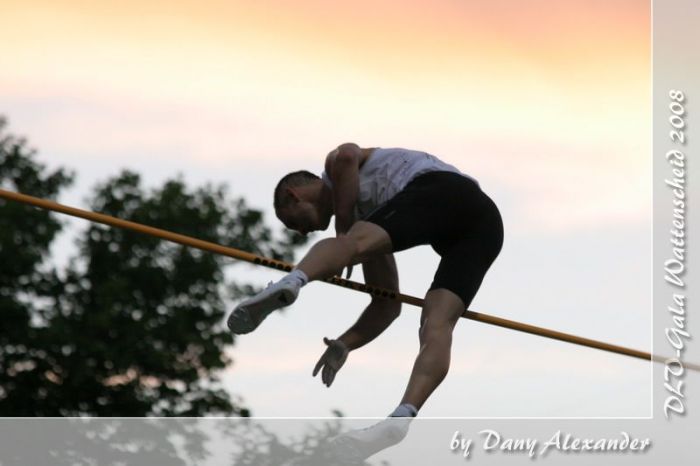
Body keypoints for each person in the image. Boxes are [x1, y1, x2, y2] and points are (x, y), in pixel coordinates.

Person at [228, 143, 503, 457]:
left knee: (350, 243)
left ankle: (293, 281)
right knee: (437, 323)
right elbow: (387, 305)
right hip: (484, 224)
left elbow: (346, 153)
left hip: (442, 190)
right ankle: (402, 417)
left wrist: (343, 224)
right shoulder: (374, 223)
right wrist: (345, 343)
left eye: (293, 222)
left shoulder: (336, 175)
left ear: (294, 195)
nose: (302, 232)